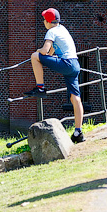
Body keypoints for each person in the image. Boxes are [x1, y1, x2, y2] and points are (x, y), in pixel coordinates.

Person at [25, 8, 85, 143]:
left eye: (44, 20)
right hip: (75, 65)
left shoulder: (51, 31)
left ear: (48, 21)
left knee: (34, 57)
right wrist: (45, 55)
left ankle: (40, 88)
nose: (43, 22)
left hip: (66, 63)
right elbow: (51, 51)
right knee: (75, 98)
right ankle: (78, 132)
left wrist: (39, 52)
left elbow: (45, 50)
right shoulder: (62, 29)